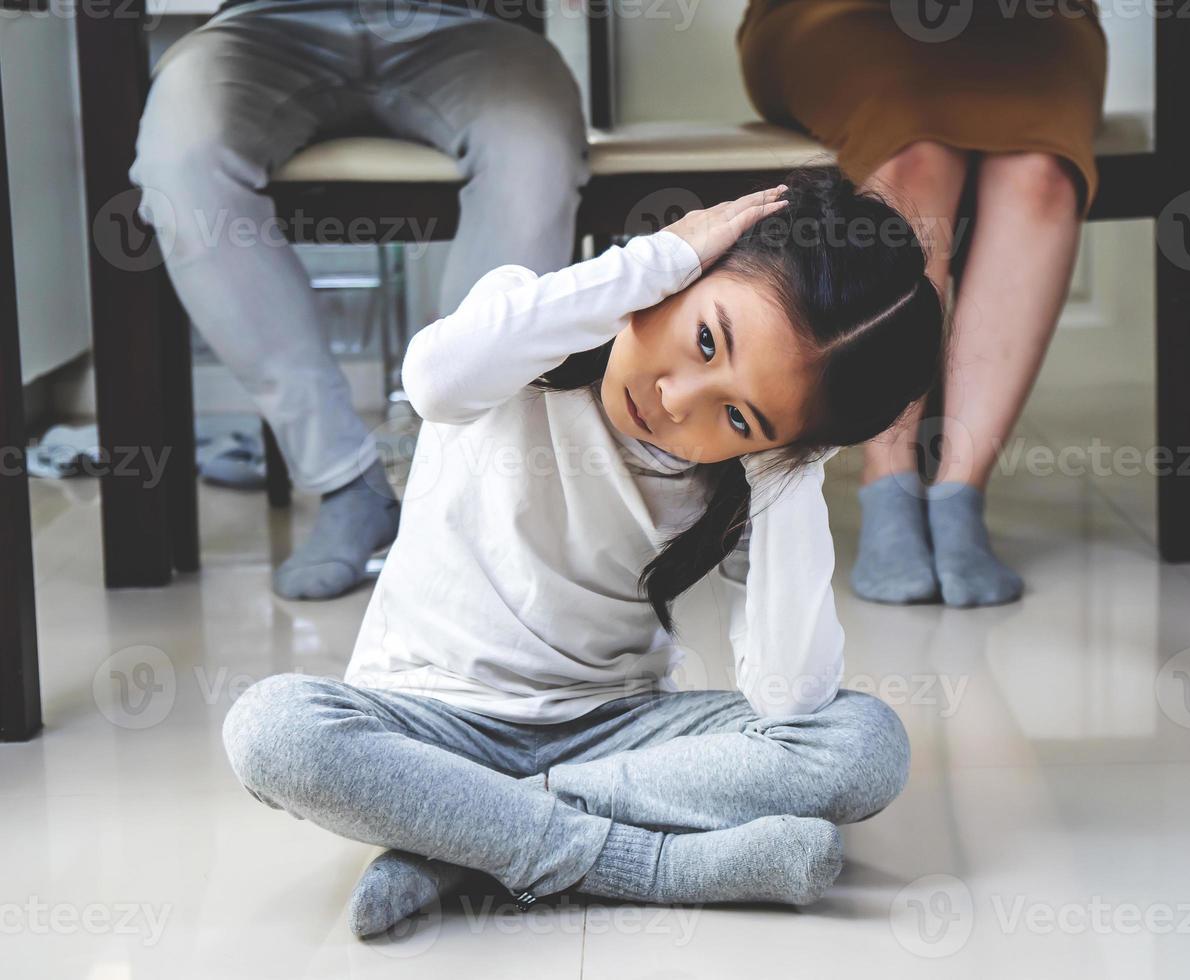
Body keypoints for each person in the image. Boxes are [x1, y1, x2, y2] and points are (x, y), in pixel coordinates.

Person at [220, 173, 945, 935]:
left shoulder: (739, 481)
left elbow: (786, 697)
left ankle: (463, 836)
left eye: (736, 415)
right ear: (692, 266)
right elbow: (432, 382)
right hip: (426, 721)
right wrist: (650, 262)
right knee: (271, 729)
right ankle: (643, 865)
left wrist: (785, 470)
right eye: (705, 339)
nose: (677, 399)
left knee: (862, 745)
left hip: (612, 730)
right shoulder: (529, 324)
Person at [131, 0, 589, 599]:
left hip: (469, 26)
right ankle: (346, 481)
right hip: (264, 23)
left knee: (535, 153)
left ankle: (451, 483)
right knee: (181, 159)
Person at [738, 0, 1108, 606]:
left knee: (1043, 174)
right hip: (838, 16)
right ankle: (891, 485)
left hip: (1034, 27)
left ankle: (961, 494)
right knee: (913, 159)